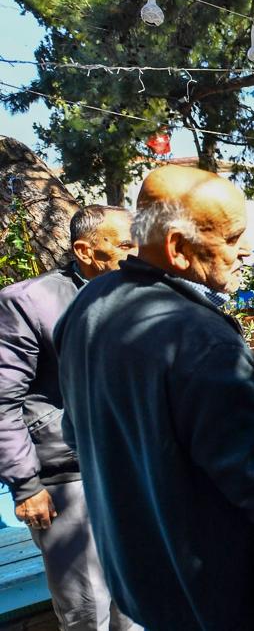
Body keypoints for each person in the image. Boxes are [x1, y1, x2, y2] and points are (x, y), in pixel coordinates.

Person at [54, 166, 254, 631]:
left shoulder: (88, 305)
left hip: (145, 584)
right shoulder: (201, 340)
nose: (246, 249)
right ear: (177, 249)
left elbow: (78, 435)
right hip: (221, 597)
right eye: (233, 237)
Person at [0, 205, 137, 631]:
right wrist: (26, 485)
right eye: (126, 245)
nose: (136, 254)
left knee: (135, 602)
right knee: (87, 609)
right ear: (85, 250)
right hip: (66, 477)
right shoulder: (28, 301)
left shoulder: (136, 295)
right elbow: (3, 400)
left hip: (130, 471)